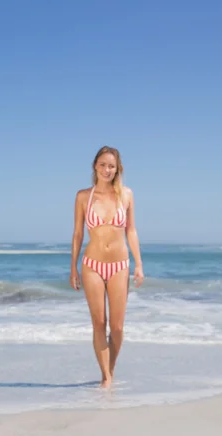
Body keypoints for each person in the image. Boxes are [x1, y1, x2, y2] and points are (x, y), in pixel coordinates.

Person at [70, 146, 144, 388]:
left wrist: (138, 264)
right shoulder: (83, 196)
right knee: (99, 323)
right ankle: (106, 377)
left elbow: (131, 230)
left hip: (120, 265)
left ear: (117, 169)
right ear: (95, 166)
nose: (106, 169)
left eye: (111, 166)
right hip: (91, 264)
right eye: (102, 164)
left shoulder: (127, 195)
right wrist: (72, 267)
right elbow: (78, 233)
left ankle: (110, 369)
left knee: (118, 326)